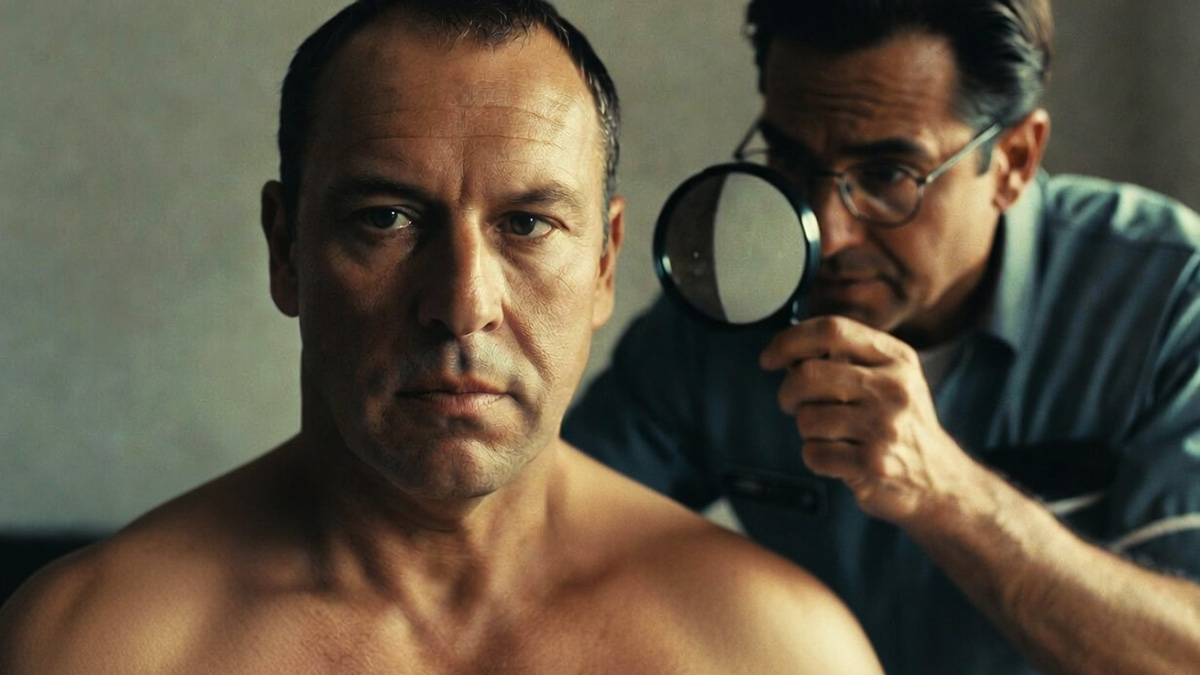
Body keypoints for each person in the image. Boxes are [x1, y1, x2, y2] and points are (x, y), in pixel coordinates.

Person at [0, 1, 886, 673]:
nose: (463, 305)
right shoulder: (94, 647)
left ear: (605, 263)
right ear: (285, 249)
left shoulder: (775, 651)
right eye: (386, 218)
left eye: (528, 225)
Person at [564, 1, 1200, 673]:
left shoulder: (1167, 299)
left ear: (1015, 160)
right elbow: (548, 529)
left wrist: (947, 492)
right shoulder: (722, 318)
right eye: (791, 161)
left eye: (889, 175)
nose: (828, 233)